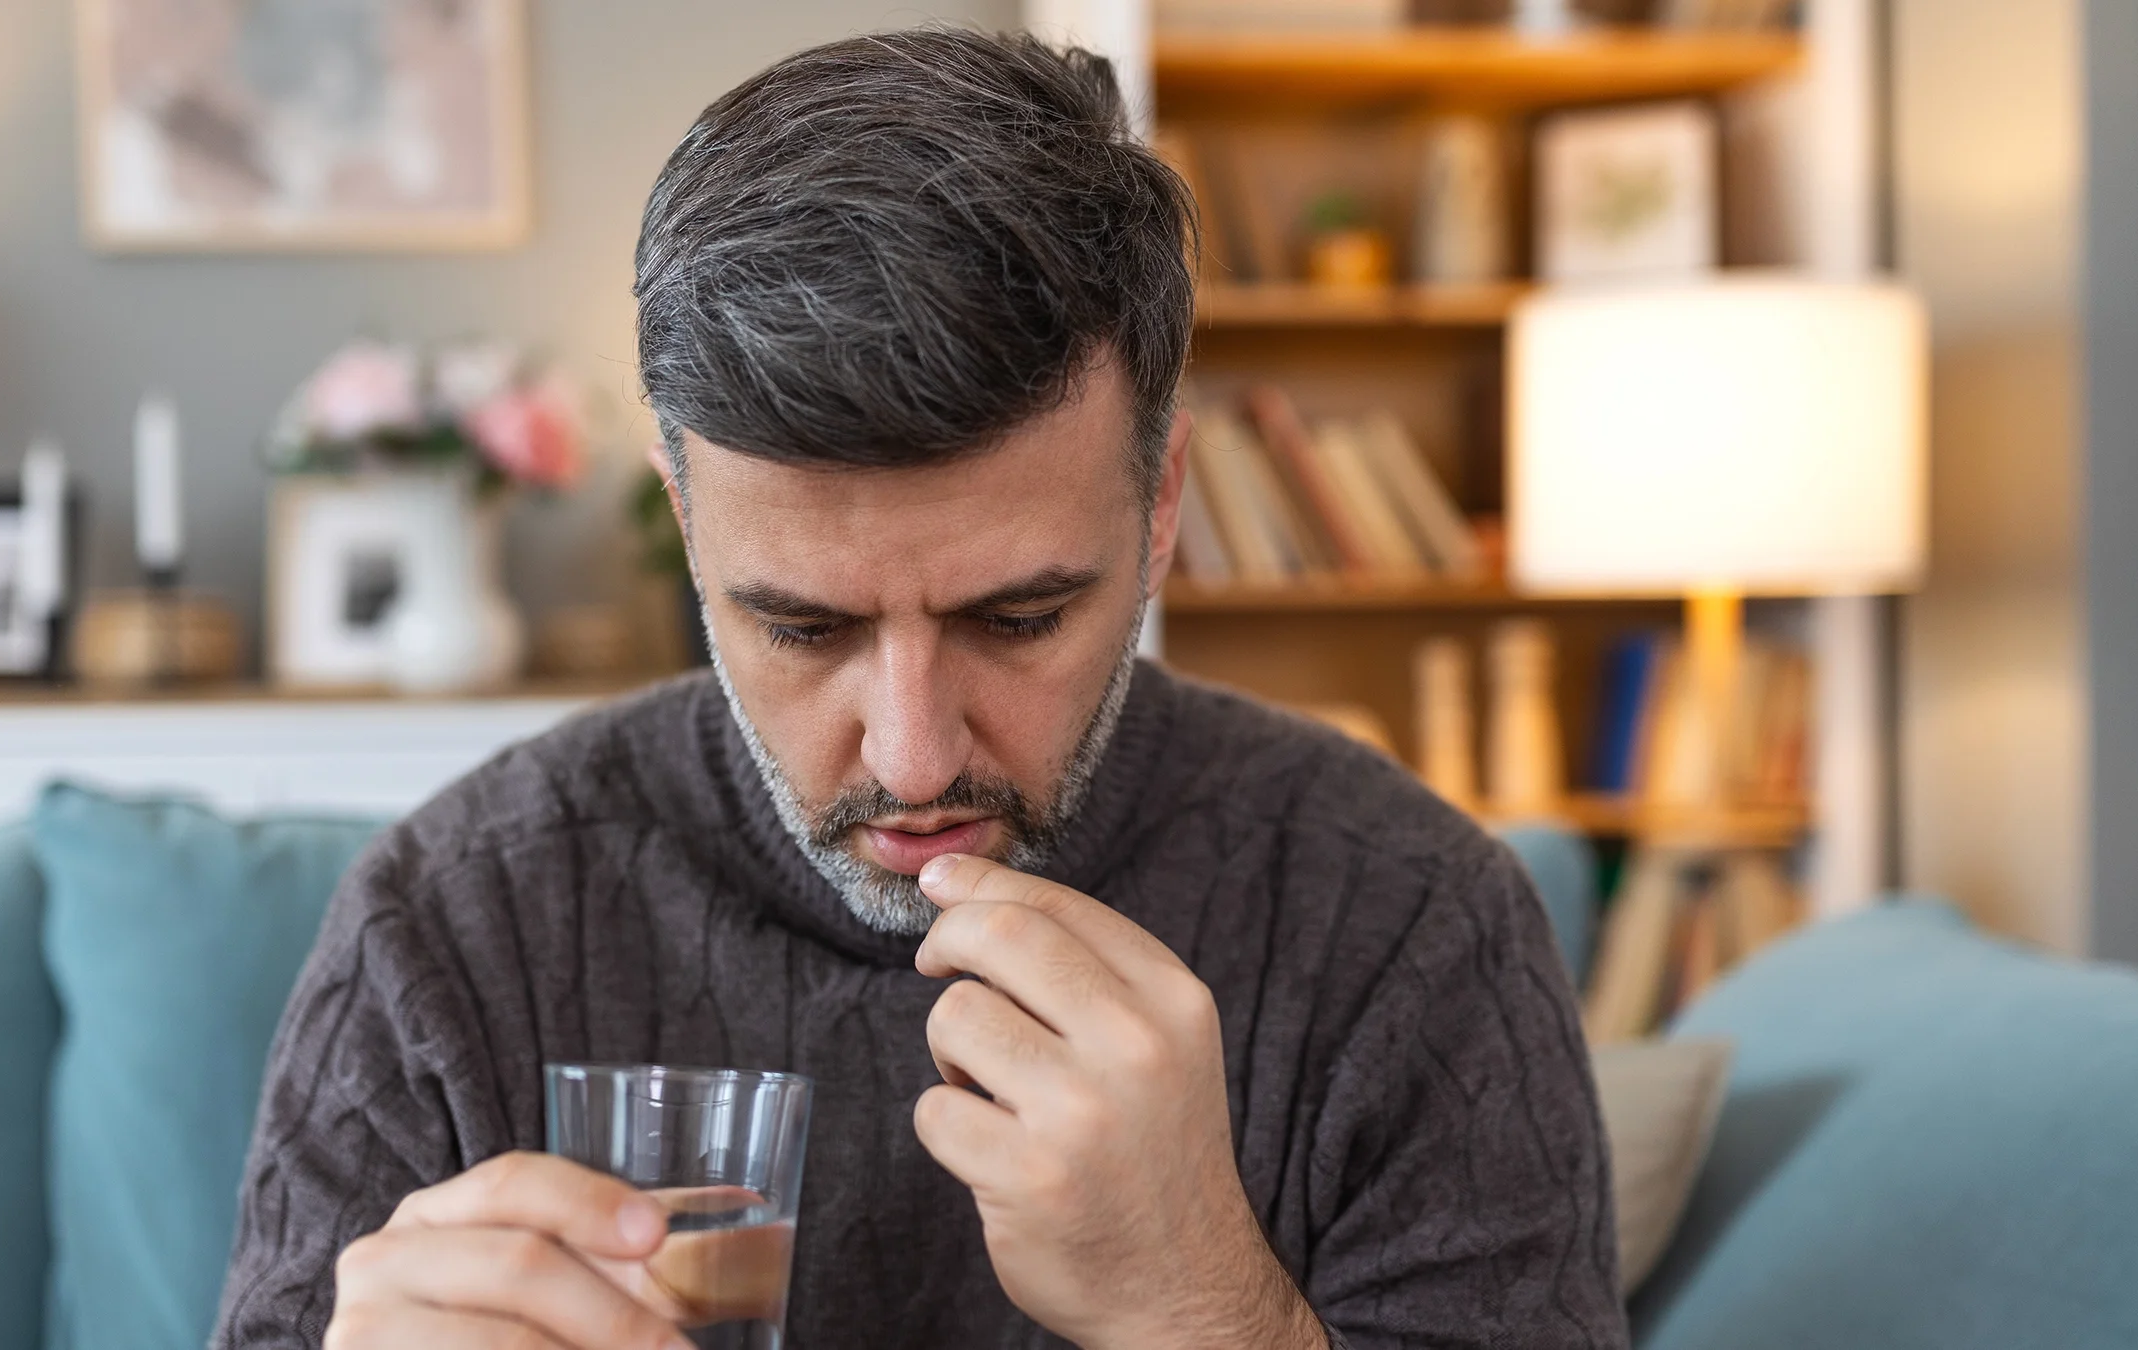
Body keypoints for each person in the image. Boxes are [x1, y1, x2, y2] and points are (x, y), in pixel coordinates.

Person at [213, 28, 1624, 1350]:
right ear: (688, 528)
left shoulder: (1412, 927)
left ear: (1161, 507)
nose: (913, 757)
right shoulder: (447, 927)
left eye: (1019, 619)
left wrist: (1201, 1304)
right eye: (802, 627)